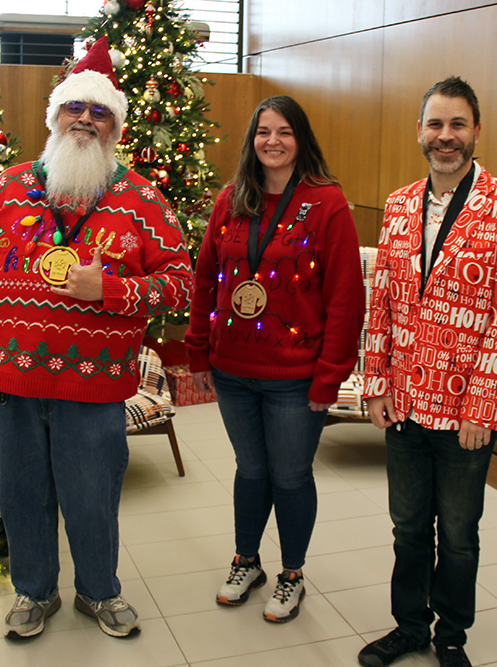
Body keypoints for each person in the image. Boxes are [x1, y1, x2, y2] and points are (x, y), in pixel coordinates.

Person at [0, 37, 192, 641]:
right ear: (55, 117)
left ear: (115, 125)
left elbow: (182, 285)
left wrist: (111, 290)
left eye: (99, 111)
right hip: (11, 378)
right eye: (75, 109)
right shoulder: (5, 190)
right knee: (25, 495)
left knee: (91, 496)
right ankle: (34, 592)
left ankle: (99, 591)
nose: (85, 120)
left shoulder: (142, 198)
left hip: (96, 383)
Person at [358, 77, 497, 667]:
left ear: (476, 132)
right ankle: (410, 627)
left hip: (467, 412)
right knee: (409, 529)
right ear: (420, 131)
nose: (445, 137)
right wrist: (376, 385)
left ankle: (451, 636)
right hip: (405, 405)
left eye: (457, 125)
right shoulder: (399, 204)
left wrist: (483, 409)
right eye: (435, 125)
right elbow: (381, 302)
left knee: (459, 536)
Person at [185, 95, 364, 623]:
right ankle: (247, 561)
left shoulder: (326, 203)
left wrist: (329, 377)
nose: (273, 141)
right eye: (264, 131)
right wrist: (199, 351)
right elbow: (204, 282)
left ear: (301, 139)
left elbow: (345, 298)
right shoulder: (230, 201)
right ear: (252, 139)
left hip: (295, 376)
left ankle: (292, 574)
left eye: (285, 131)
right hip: (234, 369)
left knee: (289, 476)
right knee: (250, 469)